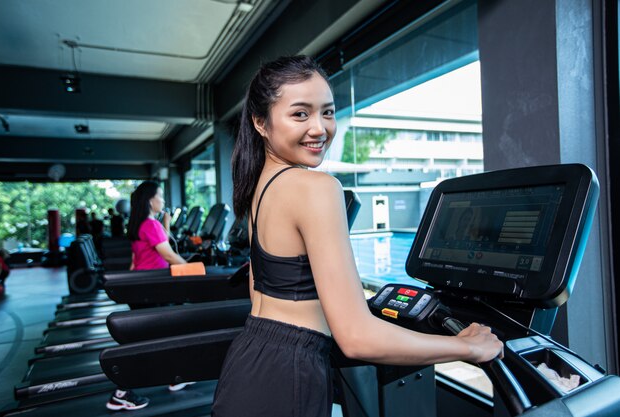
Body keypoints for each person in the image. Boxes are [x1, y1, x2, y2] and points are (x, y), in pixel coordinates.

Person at [211, 56, 503, 416]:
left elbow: (266, 290)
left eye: (328, 113)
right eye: (300, 114)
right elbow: (356, 338)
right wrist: (466, 347)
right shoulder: (315, 187)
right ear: (261, 122)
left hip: (251, 357)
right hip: (289, 374)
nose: (319, 128)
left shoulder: (261, 188)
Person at [106, 181, 189, 411]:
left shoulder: (143, 225)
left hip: (144, 289)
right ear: (151, 200)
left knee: (163, 335)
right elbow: (170, 256)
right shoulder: (149, 225)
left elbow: (140, 260)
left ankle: (174, 376)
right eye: (160, 196)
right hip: (153, 289)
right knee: (151, 341)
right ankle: (121, 393)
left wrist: (166, 224)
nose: (163, 200)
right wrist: (195, 271)